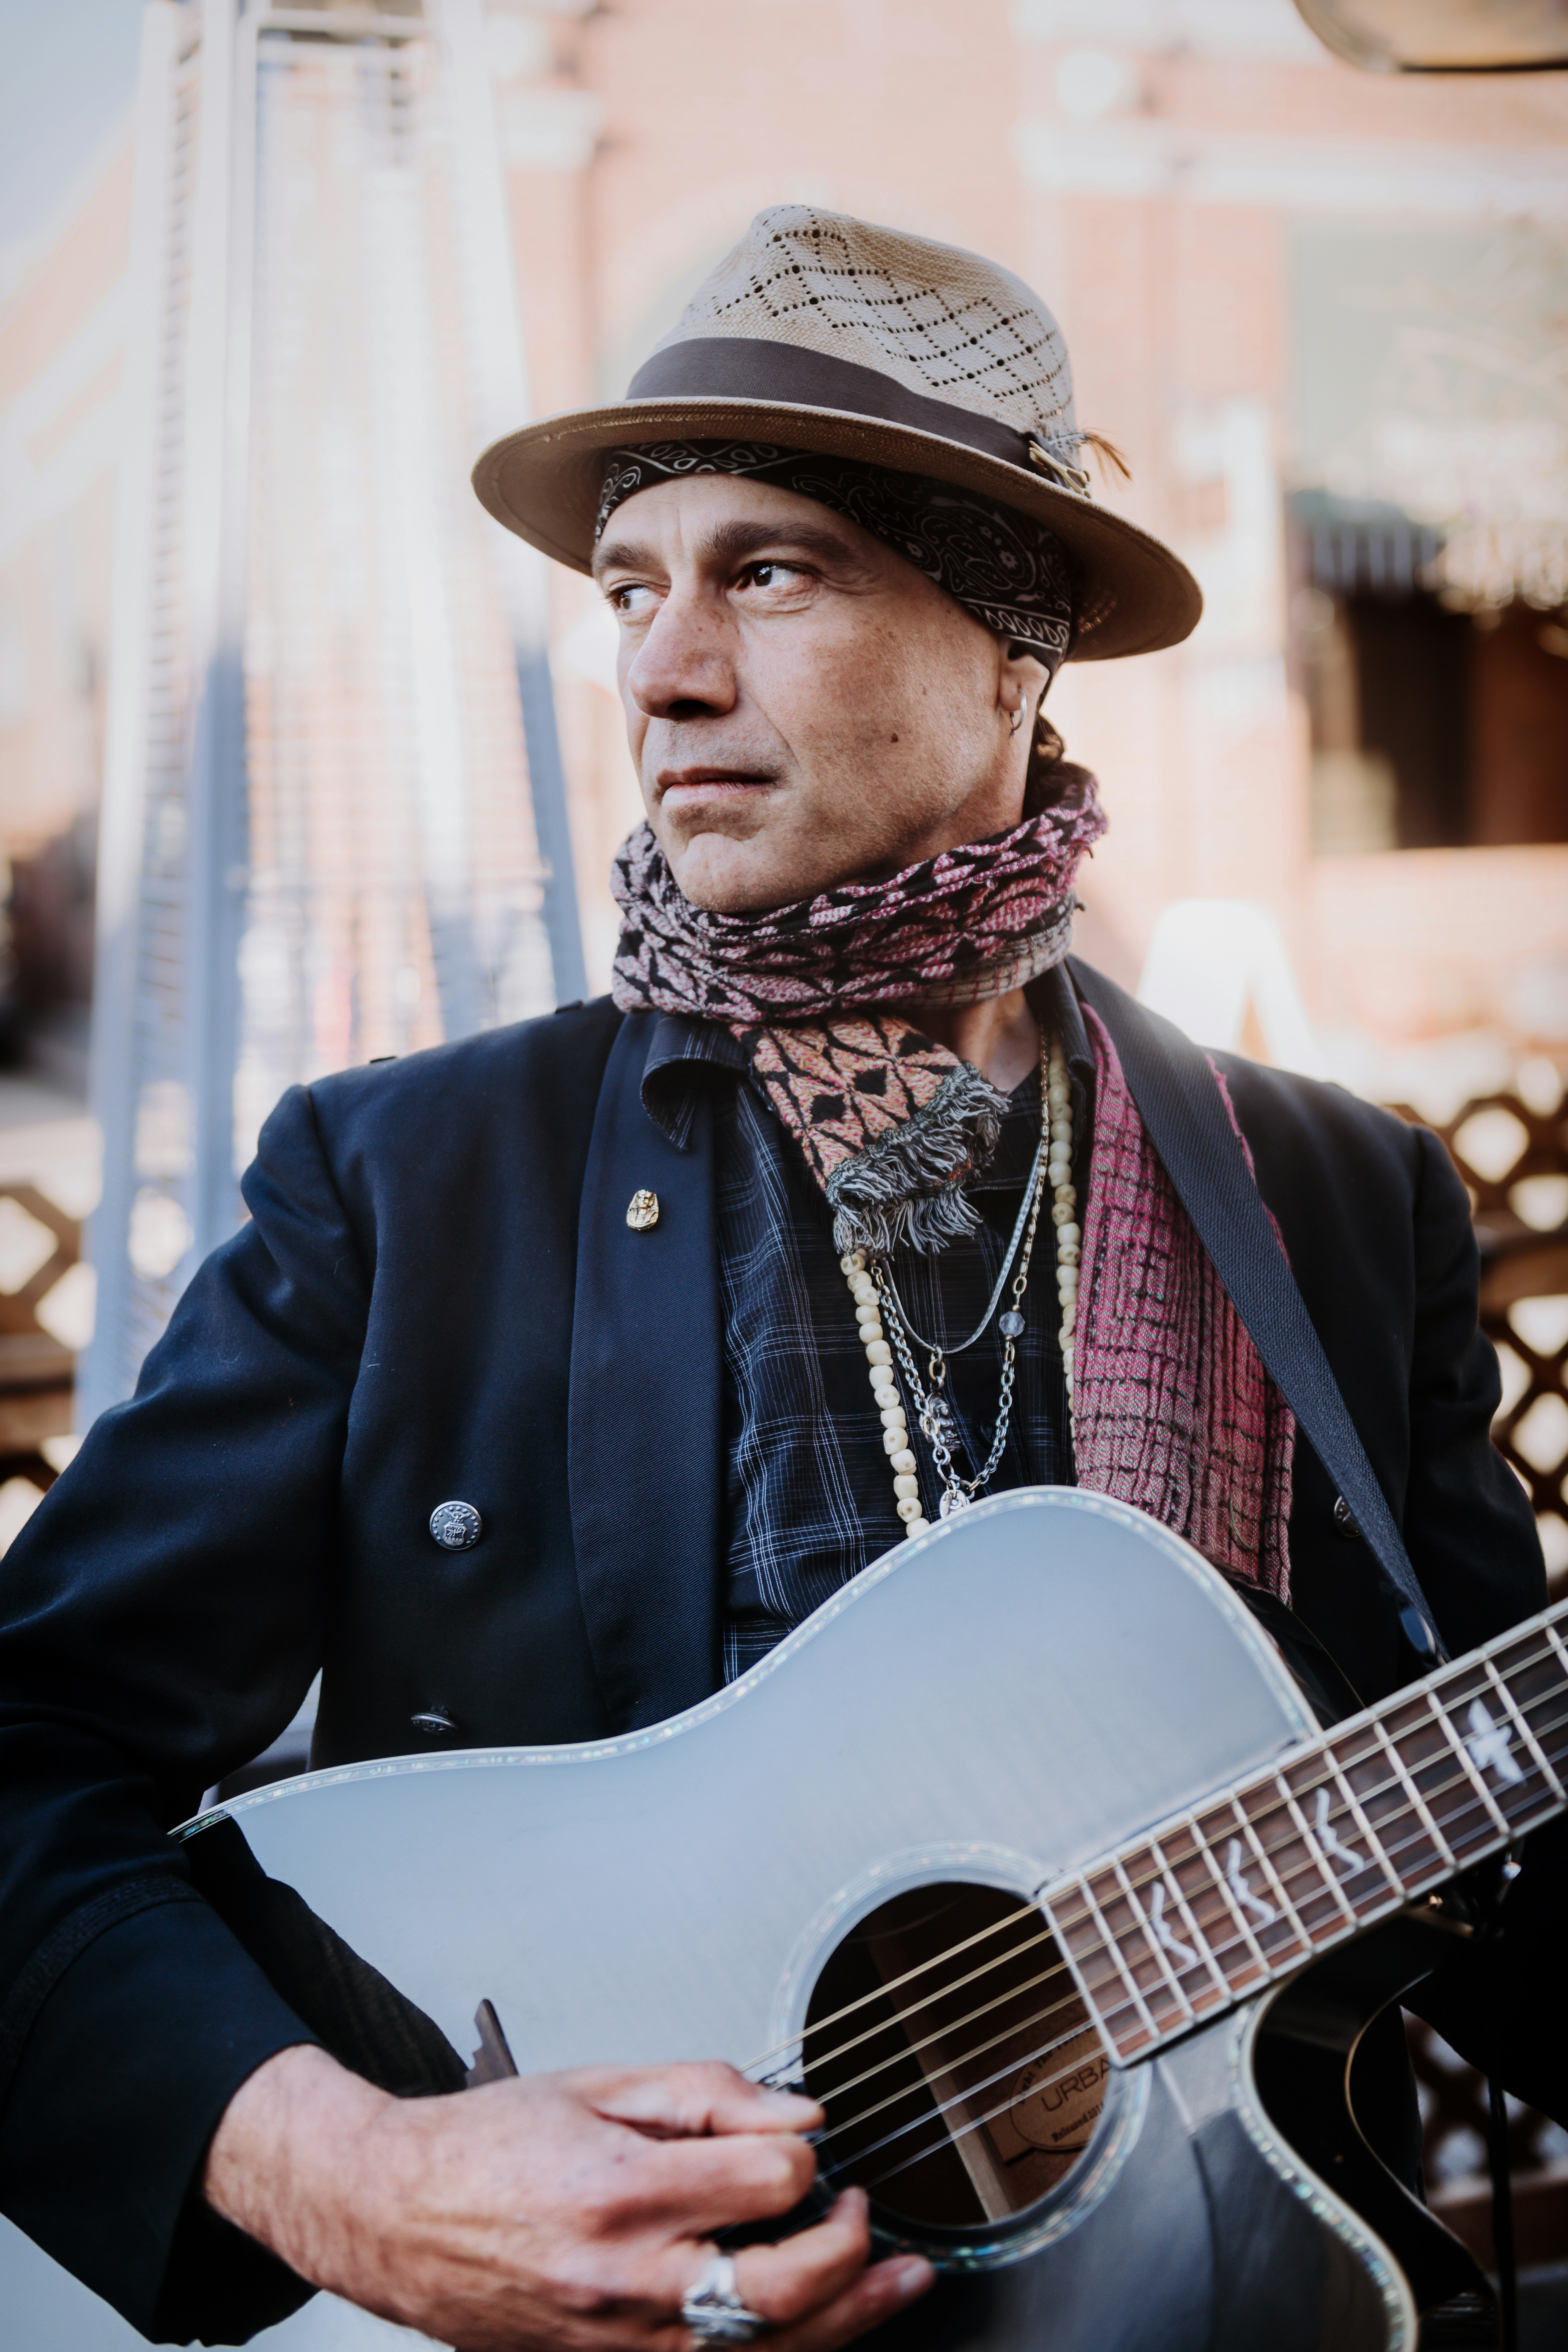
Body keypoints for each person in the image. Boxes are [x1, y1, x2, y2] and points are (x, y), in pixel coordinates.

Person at [0, 208, 1558, 2351]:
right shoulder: (407, 1179)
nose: (661, 668)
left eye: (771, 571)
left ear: (1020, 643)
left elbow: (1497, 1848)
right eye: (634, 588)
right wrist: (346, 2174)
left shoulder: (1330, 1197)